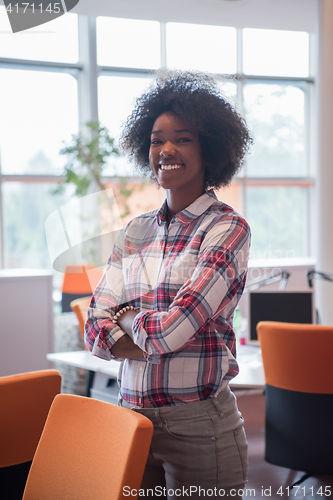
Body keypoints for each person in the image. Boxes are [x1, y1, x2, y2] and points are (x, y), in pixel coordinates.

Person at [85, 70, 252, 499]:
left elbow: (173, 330)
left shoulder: (227, 229)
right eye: (157, 139)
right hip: (131, 419)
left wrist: (127, 316)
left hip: (199, 428)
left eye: (184, 138)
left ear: (211, 149)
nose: (167, 150)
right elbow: (93, 328)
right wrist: (145, 328)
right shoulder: (135, 231)